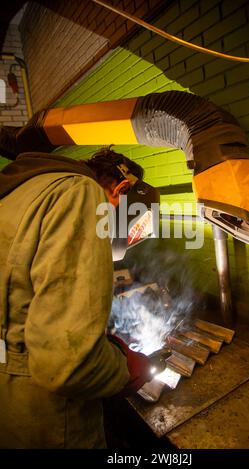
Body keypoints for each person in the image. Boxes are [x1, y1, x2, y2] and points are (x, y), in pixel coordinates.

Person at [0, 133, 153, 448]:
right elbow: (68, 364)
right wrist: (124, 369)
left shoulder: (24, 191)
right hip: (49, 421)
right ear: (121, 189)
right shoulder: (80, 192)